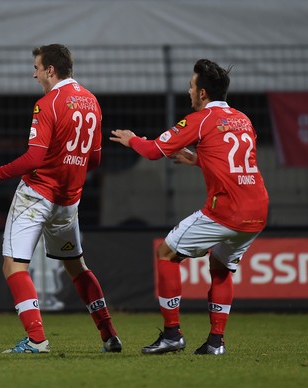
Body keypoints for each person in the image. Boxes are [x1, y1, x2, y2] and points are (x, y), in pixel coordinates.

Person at [110, 59, 269, 356]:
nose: (188, 91)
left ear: (204, 93)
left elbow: (154, 151)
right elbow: (236, 162)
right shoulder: (243, 119)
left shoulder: (201, 119)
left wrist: (133, 140)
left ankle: (172, 334)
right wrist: (198, 160)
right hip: (258, 210)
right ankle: (215, 342)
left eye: (192, 86)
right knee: (220, 268)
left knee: (166, 253)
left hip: (227, 210)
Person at [0, 44, 122, 354]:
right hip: (68, 201)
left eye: (37, 67)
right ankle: (109, 334)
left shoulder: (48, 103)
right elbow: (94, 161)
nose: (35, 73)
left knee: (14, 266)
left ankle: (37, 340)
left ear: (51, 70)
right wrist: (69, 161)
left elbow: (33, 159)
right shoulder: (92, 102)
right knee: (77, 267)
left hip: (35, 196)